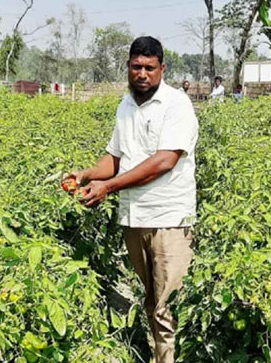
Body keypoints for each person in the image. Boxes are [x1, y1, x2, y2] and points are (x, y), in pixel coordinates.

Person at [67, 36, 198, 363]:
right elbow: (114, 158)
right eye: (136, 67)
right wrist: (87, 175)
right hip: (134, 217)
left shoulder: (176, 104)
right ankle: (157, 355)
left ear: (162, 69)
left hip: (169, 219)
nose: (142, 74)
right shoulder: (125, 106)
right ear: (127, 67)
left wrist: (108, 188)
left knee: (167, 303)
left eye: (149, 68)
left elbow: (164, 161)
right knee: (151, 299)